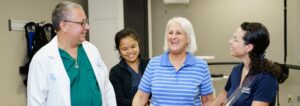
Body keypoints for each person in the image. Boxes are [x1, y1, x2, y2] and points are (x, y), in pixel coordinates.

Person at [27, 1, 116, 106]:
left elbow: (107, 89)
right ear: (64, 25)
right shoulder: (42, 59)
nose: (87, 27)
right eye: (82, 23)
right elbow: (35, 102)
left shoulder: (91, 50)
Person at [132, 17, 214, 106]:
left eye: (179, 33)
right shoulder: (153, 64)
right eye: (170, 33)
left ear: (188, 39)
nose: (173, 37)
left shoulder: (201, 66)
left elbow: (208, 101)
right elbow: (140, 98)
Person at [212, 22, 281, 106]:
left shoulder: (266, 78)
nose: (229, 41)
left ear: (249, 47)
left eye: (235, 39)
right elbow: (222, 97)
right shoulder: (236, 71)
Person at [109, 28, 150, 106]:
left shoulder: (149, 64)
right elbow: (119, 100)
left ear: (138, 45)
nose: (130, 51)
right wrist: (141, 104)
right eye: (125, 49)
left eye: (133, 46)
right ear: (119, 51)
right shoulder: (115, 72)